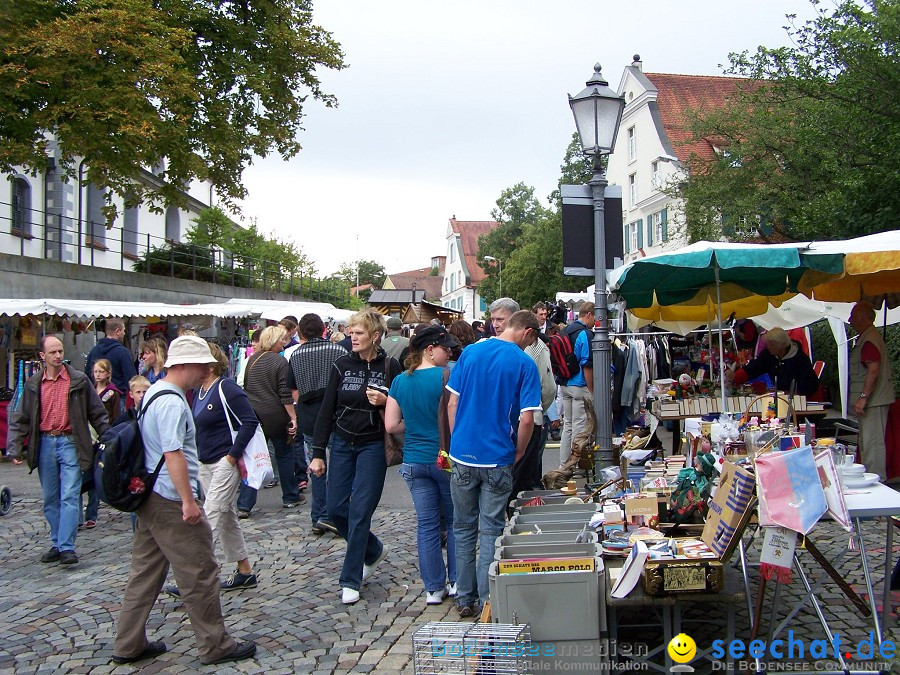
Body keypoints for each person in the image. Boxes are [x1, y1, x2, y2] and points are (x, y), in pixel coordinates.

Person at [112, 336, 255, 666]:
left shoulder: (154, 394)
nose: (206, 371)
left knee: (145, 572)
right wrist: (189, 502)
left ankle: (128, 642)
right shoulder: (173, 402)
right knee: (200, 570)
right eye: (203, 365)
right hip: (170, 498)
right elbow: (173, 454)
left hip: (151, 495)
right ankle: (215, 644)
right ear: (186, 365)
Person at [446, 309, 541, 617]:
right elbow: (527, 418)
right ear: (527, 333)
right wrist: (518, 451)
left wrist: (455, 440)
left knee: (462, 526)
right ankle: (487, 598)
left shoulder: (471, 352)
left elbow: (452, 402)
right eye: (531, 342)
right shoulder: (525, 363)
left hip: (462, 453)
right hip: (497, 456)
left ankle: (464, 597)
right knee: (491, 528)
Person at [309, 310, 401, 605]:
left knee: (360, 511)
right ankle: (373, 550)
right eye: (351, 332)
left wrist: (386, 401)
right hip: (342, 444)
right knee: (336, 509)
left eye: (359, 332)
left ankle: (350, 579)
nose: (353, 337)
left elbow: (402, 405)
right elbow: (326, 410)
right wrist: (317, 453)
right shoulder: (341, 365)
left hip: (373, 446)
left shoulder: (390, 365)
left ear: (375, 335)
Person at [165, 343, 259, 598]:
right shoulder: (199, 392)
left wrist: (232, 455)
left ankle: (192, 580)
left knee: (209, 519)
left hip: (224, 463)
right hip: (206, 463)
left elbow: (250, 420)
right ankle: (245, 571)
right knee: (226, 517)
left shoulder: (226, 387)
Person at [7, 335, 110, 565]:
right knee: (50, 497)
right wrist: (14, 448)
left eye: (61, 351)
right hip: (45, 443)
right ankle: (56, 542)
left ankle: (66, 546)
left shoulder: (79, 380)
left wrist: (109, 439)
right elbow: (21, 418)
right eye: (53, 352)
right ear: (42, 356)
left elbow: (97, 413)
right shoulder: (34, 384)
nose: (58, 355)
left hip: (70, 441)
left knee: (70, 494)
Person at [385, 325, 459, 605]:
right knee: (454, 523)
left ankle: (433, 589)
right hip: (445, 459)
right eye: (445, 348)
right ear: (430, 350)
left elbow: (391, 424)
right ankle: (457, 581)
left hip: (414, 460)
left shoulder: (400, 381)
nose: (450, 352)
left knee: (427, 525)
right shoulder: (447, 377)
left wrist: (413, 425)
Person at [288, 313, 346, 536]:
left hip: (310, 416)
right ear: (324, 329)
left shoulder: (295, 355)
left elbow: (293, 390)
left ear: (301, 332)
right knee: (340, 466)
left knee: (317, 464)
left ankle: (318, 516)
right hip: (336, 415)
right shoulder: (339, 351)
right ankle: (334, 514)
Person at [236, 326, 301, 516]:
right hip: (276, 415)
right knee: (284, 455)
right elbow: (284, 393)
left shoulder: (251, 360)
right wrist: (293, 417)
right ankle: (290, 495)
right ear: (274, 341)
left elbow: (246, 386)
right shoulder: (280, 362)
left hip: (254, 415)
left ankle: (244, 503)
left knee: (253, 458)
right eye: (281, 339)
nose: (284, 342)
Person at [848, 302, 895, 479]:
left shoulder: (869, 339)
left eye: (853, 315)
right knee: (868, 442)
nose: (850, 320)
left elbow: (873, 371)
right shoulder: (867, 337)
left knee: (872, 442)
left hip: (873, 401)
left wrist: (863, 397)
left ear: (864, 318)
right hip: (873, 400)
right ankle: (873, 479)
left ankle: (877, 481)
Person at [80, 358, 121, 529]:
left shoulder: (112, 393)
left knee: (94, 478)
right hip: (87, 437)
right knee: (82, 477)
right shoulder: (89, 390)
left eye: (101, 372)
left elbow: (115, 417)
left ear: (108, 373)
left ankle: (92, 513)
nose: (97, 375)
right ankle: (78, 516)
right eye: (95, 372)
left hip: (102, 437)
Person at [727, 327, 819, 396]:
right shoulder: (769, 354)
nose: (768, 347)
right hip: (783, 399)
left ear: (782, 345)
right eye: (768, 344)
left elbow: (808, 386)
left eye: (772, 345)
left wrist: (785, 394)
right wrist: (734, 377)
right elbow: (754, 367)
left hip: (805, 401)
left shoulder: (801, 359)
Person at [559, 303, 595, 468]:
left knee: (567, 425)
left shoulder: (565, 330)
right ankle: (574, 466)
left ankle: (563, 465)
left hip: (564, 383)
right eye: (595, 317)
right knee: (579, 427)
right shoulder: (585, 334)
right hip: (579, 385)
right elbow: (586, 364)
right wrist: (592, 390)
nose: (596, 322)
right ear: (589, 314)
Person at [85, 318, 138, 400]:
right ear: (117, 331)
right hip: (119, 399)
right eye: (123, 330)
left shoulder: (93, 351)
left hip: (97, 399)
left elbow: (87, 377)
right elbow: (131, 379)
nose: (124, 333)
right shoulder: (123, 352)